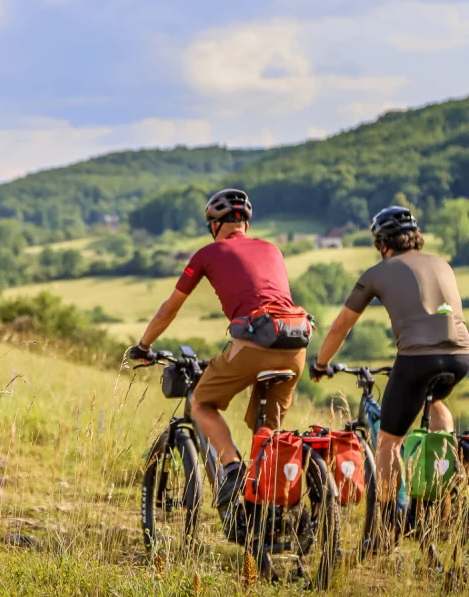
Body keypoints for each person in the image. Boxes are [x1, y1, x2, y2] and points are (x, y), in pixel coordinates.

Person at [129, 189, 308, 538]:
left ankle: (231, 467)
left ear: (215, 224)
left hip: (255, 342)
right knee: (265, 433)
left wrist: (143, 344)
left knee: (201, 402)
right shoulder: (272, 249)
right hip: (297, 344)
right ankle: (267, 510)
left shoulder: (209, 253)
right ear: (246, 223)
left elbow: (171, 306)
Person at [310, 205, 469, 541]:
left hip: (416, 358)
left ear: (382, 244)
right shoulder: (442, 263)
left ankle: (385, 528)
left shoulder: (377, 272)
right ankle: (440, 504)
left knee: (388, 444)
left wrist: (321, 364)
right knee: (435, 404)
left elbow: (341, 326)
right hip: (460, 357)